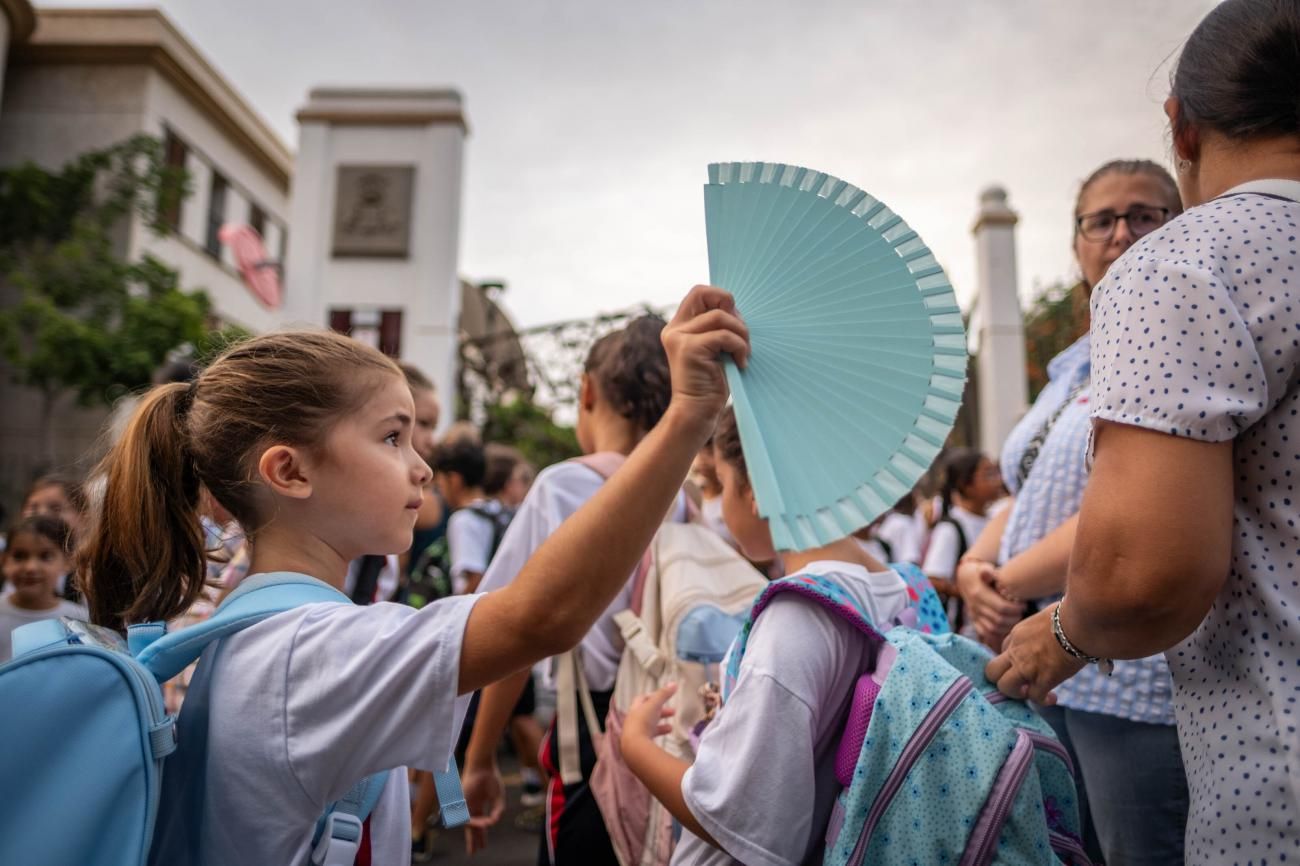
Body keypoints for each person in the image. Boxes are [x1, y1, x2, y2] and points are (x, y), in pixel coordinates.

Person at [73, 286, 747, 865]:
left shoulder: (266, 632)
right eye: (393, 437)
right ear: (291, 471)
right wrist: (688, 415)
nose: (422, 467)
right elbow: (544, 615)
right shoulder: (309, 653)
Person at [987, 3, 1300, 862]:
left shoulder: (1189, 260)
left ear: (1182, 126)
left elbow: (1142, 571)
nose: (1122, 236)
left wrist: (1058, 637)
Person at [959, 158, 1187, 864]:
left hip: (1128, 670)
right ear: (1076, 243)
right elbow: (1025, 489)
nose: (1122, 233)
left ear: (1181, 227)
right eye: (1102, 219)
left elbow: (1127, 504)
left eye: (1145, 215)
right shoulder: (1071, 368)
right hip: (1046, 658)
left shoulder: (1180, 339)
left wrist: (1007, 582)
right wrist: (974, 563)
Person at [620, 406, 913, 866]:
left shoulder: (795, 619)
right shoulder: (902, 589)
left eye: (719, 482)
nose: (719, 507)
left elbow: (741, 819)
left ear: (755, 489)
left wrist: (634, 746)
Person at [461, 315, 679, 864]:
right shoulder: (687, 495)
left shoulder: (565, 485)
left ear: (586, 391)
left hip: (591, 728)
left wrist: (481, 757)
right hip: (672, 724)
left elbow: (516, 628)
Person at [0, 515, 86, 664]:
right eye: (19, 556)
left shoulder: (79, 620)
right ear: (4, 560)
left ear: (67, 561)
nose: (30, 567)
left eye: (45, 556)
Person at [921, 449, 1001, 606]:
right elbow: (933, 579)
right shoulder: (951, 528)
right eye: (988, 475)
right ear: (966, 485)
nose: (998, 481)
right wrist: (967, 590)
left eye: (996, 473)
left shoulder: (995, 520)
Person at [20, 474, 87, 601]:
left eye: (55, 508)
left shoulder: (95, 572)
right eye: (33, 508)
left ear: (83, 516)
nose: (42, 515)